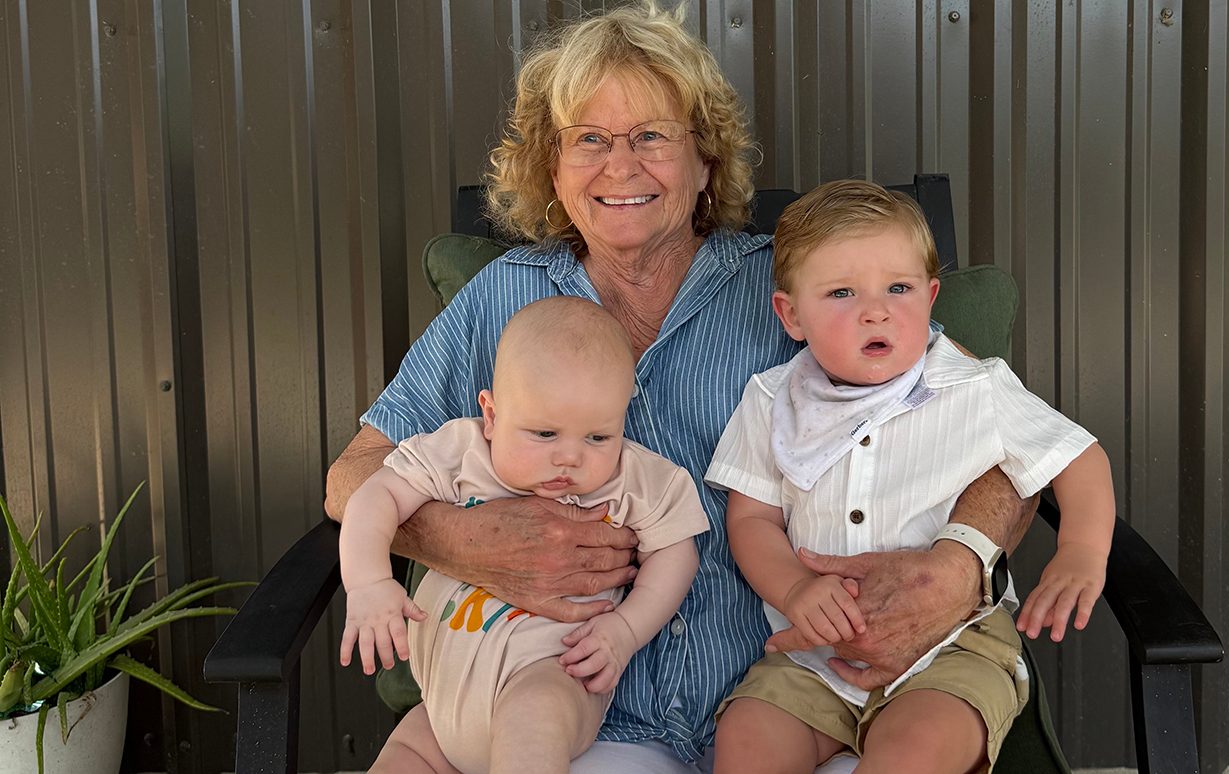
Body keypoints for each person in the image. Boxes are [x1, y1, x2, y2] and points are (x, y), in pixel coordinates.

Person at [324, 3, 1039, 771]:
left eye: (652, 137)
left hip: (801, 701)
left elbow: (1013, 435)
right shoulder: (503, 299)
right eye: (588, 139)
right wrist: (465, 540)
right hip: (580, 718)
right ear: (550, 165)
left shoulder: (801, 289)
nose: (619, 166)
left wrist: (962, 563)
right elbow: (355, 475)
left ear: (705, 159)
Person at [706, 180, 1116, 774]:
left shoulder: (975, 387)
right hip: (817, 654)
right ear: (791, 314)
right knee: (747, 737)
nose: (876, 310)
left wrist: (1081, 549)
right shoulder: (773, 400)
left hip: (954, 647)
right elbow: (752, 518)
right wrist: (794, 588)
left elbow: (1078, 457)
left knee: (914, 751)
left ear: (930, 298)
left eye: (898, 288)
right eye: (841, 292)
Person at [337, 297, 708, 773]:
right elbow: (375, 496)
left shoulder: (631, 479)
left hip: (554, 674)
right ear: (491, 415)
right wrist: (368, 583)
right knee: (403, 755)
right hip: (442, 705)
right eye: (544, 434)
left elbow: (677, 551)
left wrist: (626, 629)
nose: (570, 458)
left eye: (598, 437)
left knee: (532, 724)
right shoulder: (461, 452)